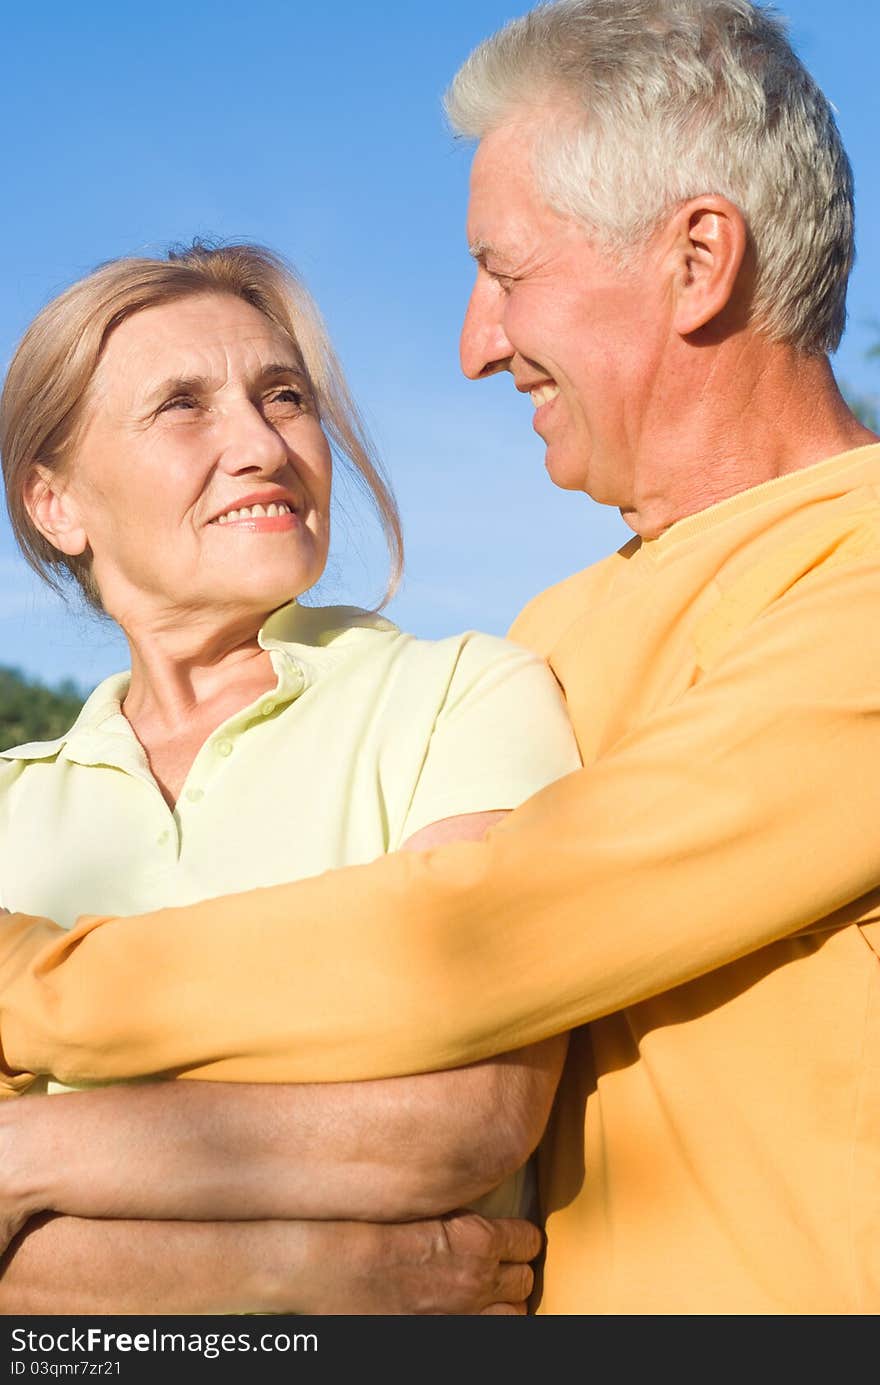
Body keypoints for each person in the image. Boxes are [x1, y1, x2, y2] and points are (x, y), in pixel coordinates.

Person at [1, 0, 878, 1314]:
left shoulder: (851, 581)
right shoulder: (551, 634)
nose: (473, 344)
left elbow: (479, 937)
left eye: (505, 272)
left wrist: (32, 988)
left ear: (699, 259)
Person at [0, 241, 581, 1314]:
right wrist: (288, 1270)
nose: (261, 444)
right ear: (56, 503)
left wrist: (24, 1152)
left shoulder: (468, 695)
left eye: (285, 396)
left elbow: (456, 1123)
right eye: (182, 405)